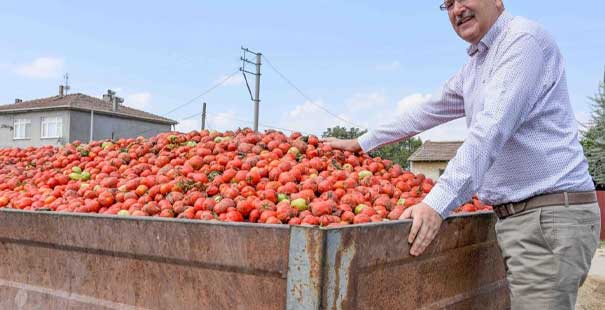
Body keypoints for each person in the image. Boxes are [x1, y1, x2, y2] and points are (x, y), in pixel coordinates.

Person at [323, 0, 601, 308]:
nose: (457, 9)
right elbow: (427, 111)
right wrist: (363, 143)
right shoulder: (477, 65)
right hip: (521, 218)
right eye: (448, 4)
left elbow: (490, 131)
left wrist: (436, 203)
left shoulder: (523, 42)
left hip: (546, 217)